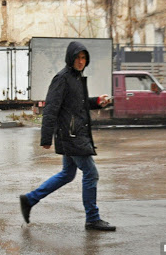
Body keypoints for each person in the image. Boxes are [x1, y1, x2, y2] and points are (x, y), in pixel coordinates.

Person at [19, 41, 116, 231]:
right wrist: (46, 137)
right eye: (77, 57)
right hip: (71, 135)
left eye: (83, 58)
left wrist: (97, 101)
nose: (80, 61)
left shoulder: (77, 78)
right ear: (70, 58)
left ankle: (29, 200)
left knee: (67, 174)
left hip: (75, 132)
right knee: (91, 173)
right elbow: (51, 108)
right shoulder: (62, 78)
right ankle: (92, 218)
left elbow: (79, 104)